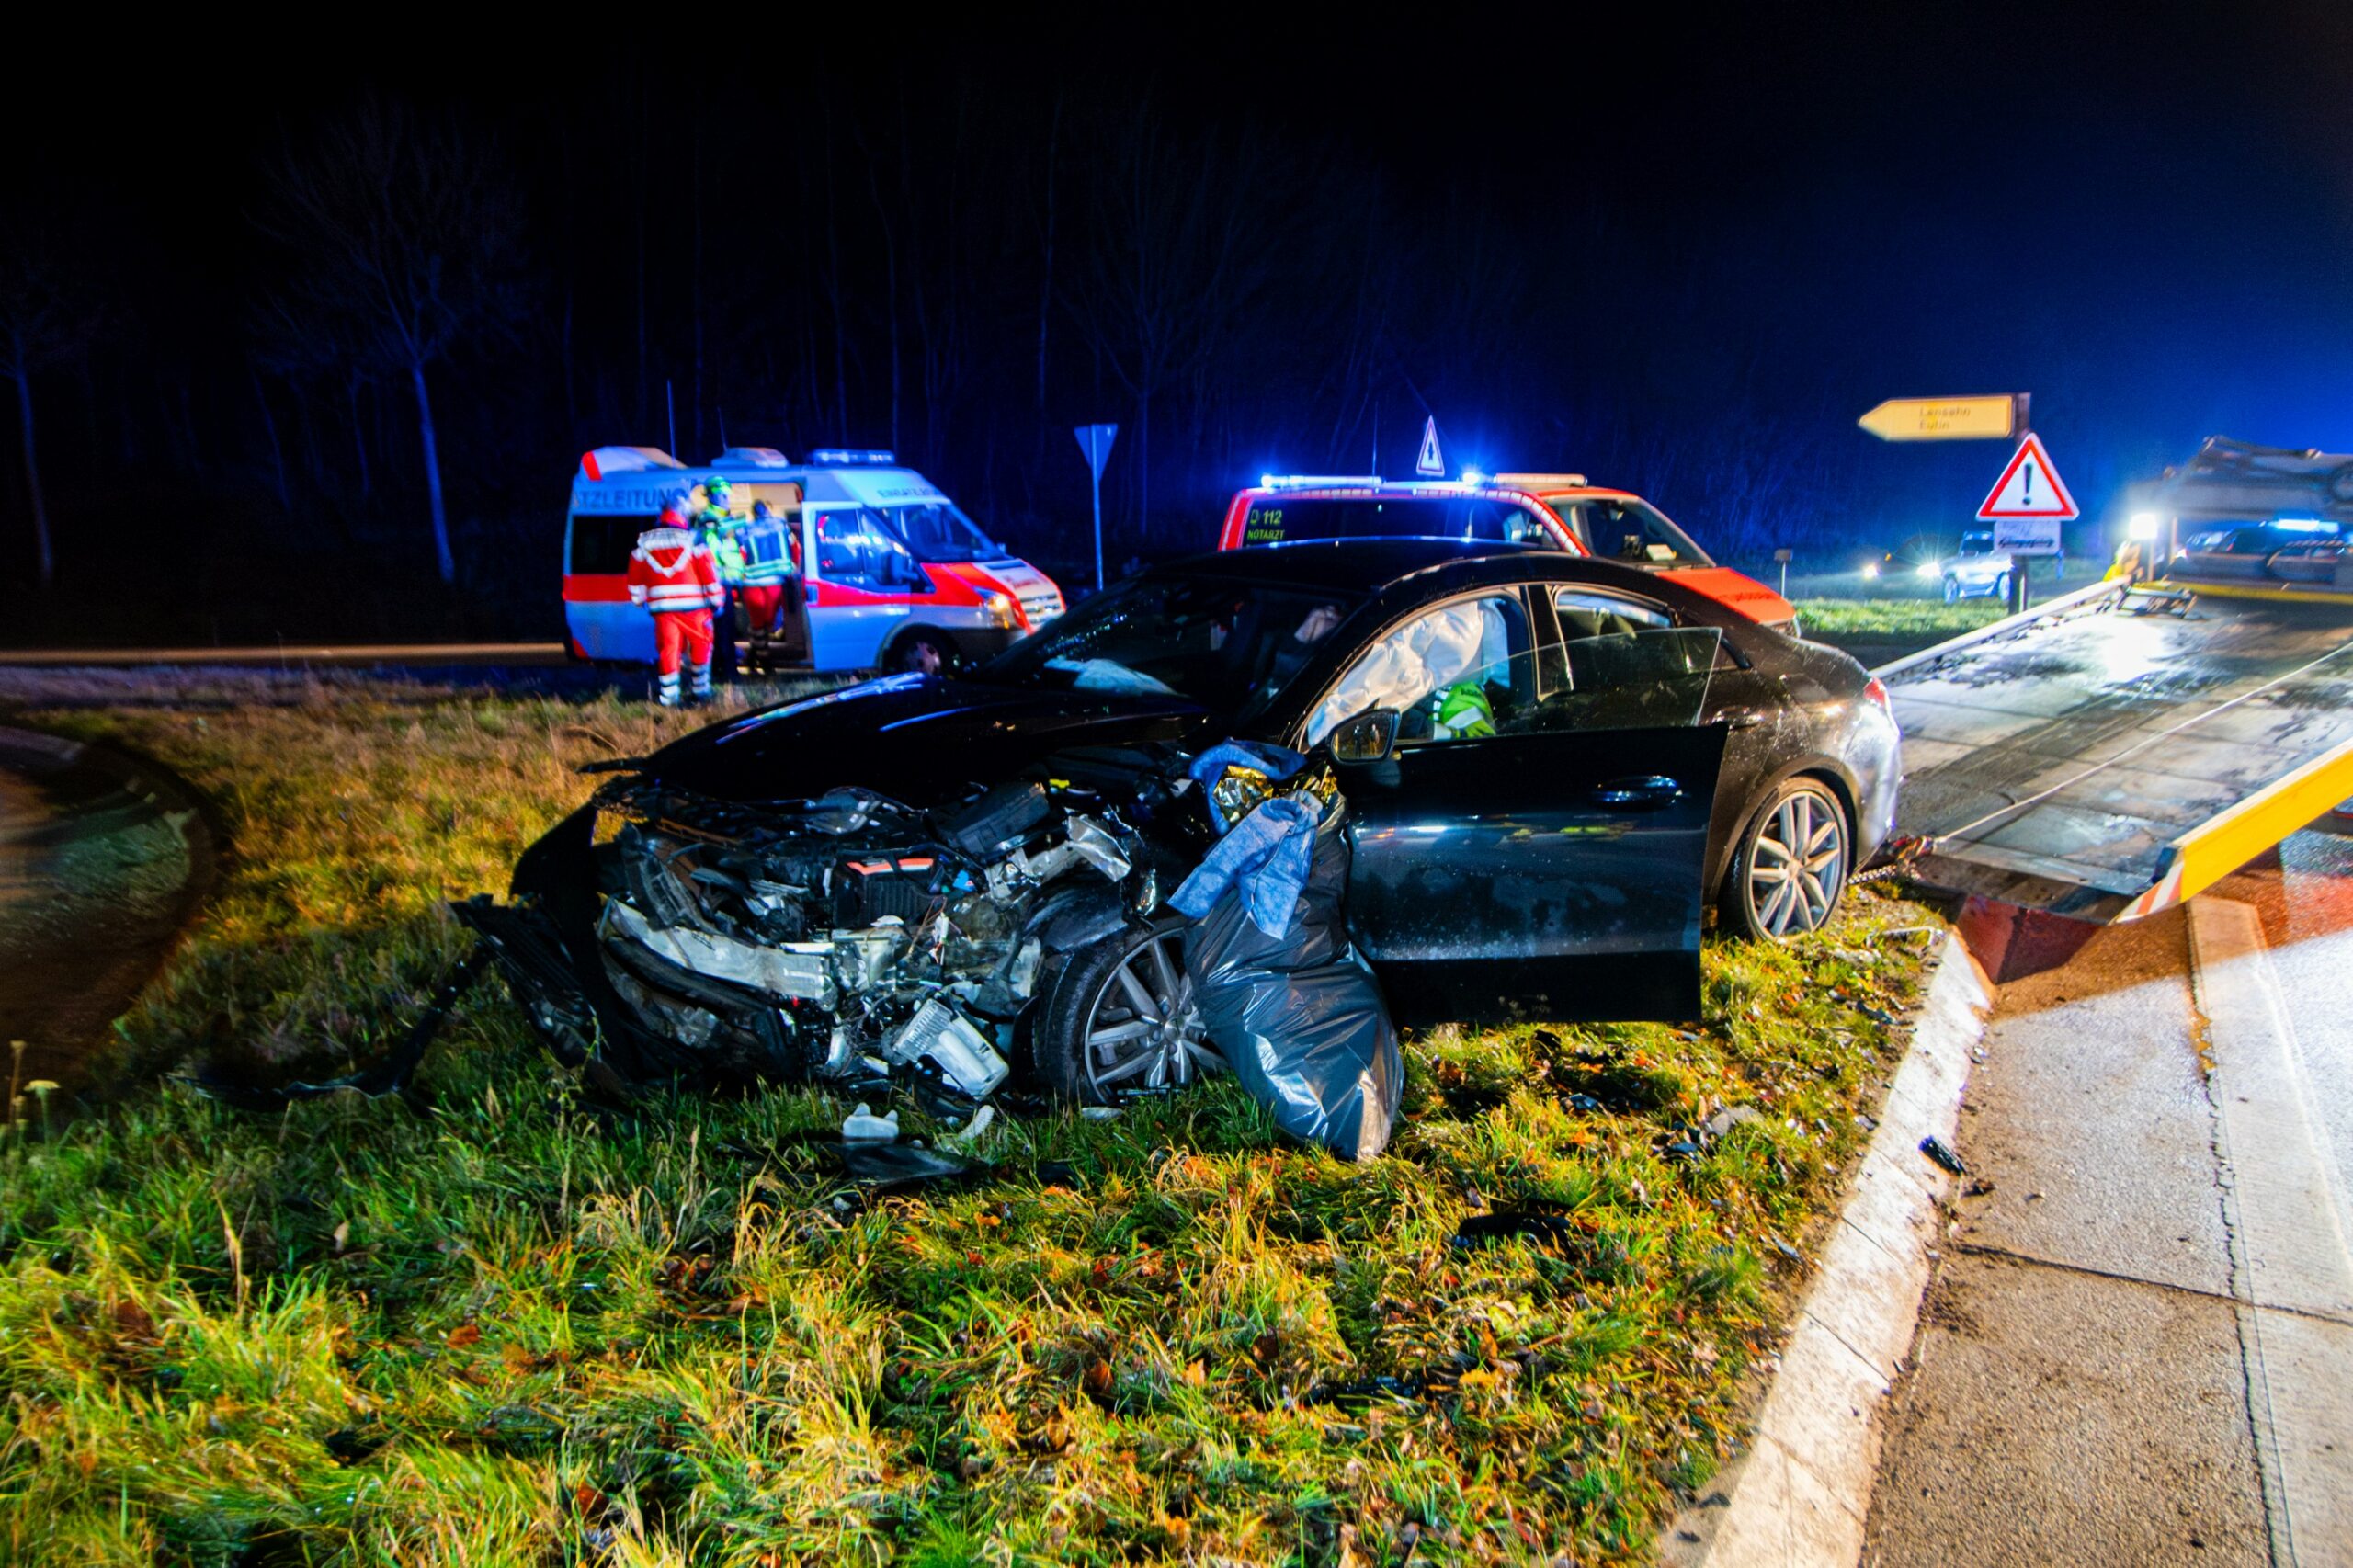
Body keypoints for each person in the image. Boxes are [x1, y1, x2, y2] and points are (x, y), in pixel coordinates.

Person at [626, 505, 723, 707]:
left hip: (663, 610)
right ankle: (701, 691)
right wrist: (716, 600)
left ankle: (669, 697)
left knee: (668, 650)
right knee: (701, 645)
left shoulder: (644, 543)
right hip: (695, 608)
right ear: (682, 516)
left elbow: (635, 577)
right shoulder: (694, 539)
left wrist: (639, 600)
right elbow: (708, 571)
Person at [735, 499, 802, 671]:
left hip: (752, 582)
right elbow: (795, 548)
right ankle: (763, 661)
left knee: (758, 625)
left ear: (754, 513)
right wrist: (794, 568)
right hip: (775, 581)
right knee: (767, 624)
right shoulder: (782, 526)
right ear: (768, 510)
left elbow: (740, 556)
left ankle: (755, 658)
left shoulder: (745, 530)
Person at [691, 477, 743, 681]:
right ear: (711, 496)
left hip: (725, 583)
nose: (727, 499)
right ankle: (726, 673)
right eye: (723, 495)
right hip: (716, 584)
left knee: (726, 629)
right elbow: (711, 554)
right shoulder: (708, 520)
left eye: (727, 495)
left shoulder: (722, 519)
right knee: (723, 631)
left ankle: (724, 670)